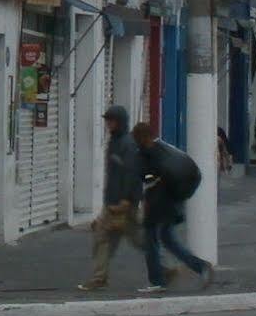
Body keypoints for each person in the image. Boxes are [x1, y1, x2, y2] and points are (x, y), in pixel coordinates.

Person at [132, 121, 212, 292]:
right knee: (168, 239)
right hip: (172, 201)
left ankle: (157, 281)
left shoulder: (145, 154)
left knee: (151, 242)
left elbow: (145, 179)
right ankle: (200, 267)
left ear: (140, 138)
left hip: (158, 204)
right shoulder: (164, 148)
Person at [79, 105, 144, 291]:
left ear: (120, 122)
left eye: (111, 120)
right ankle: (99, 277)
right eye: (107, 120)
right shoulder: (114, 142)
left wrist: (127, 200)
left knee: (141, 241)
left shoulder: (127, 144)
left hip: (125, 205)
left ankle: (164, 268)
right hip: (112, 204)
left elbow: (132, 174)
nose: (108, 124)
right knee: (102, 238)